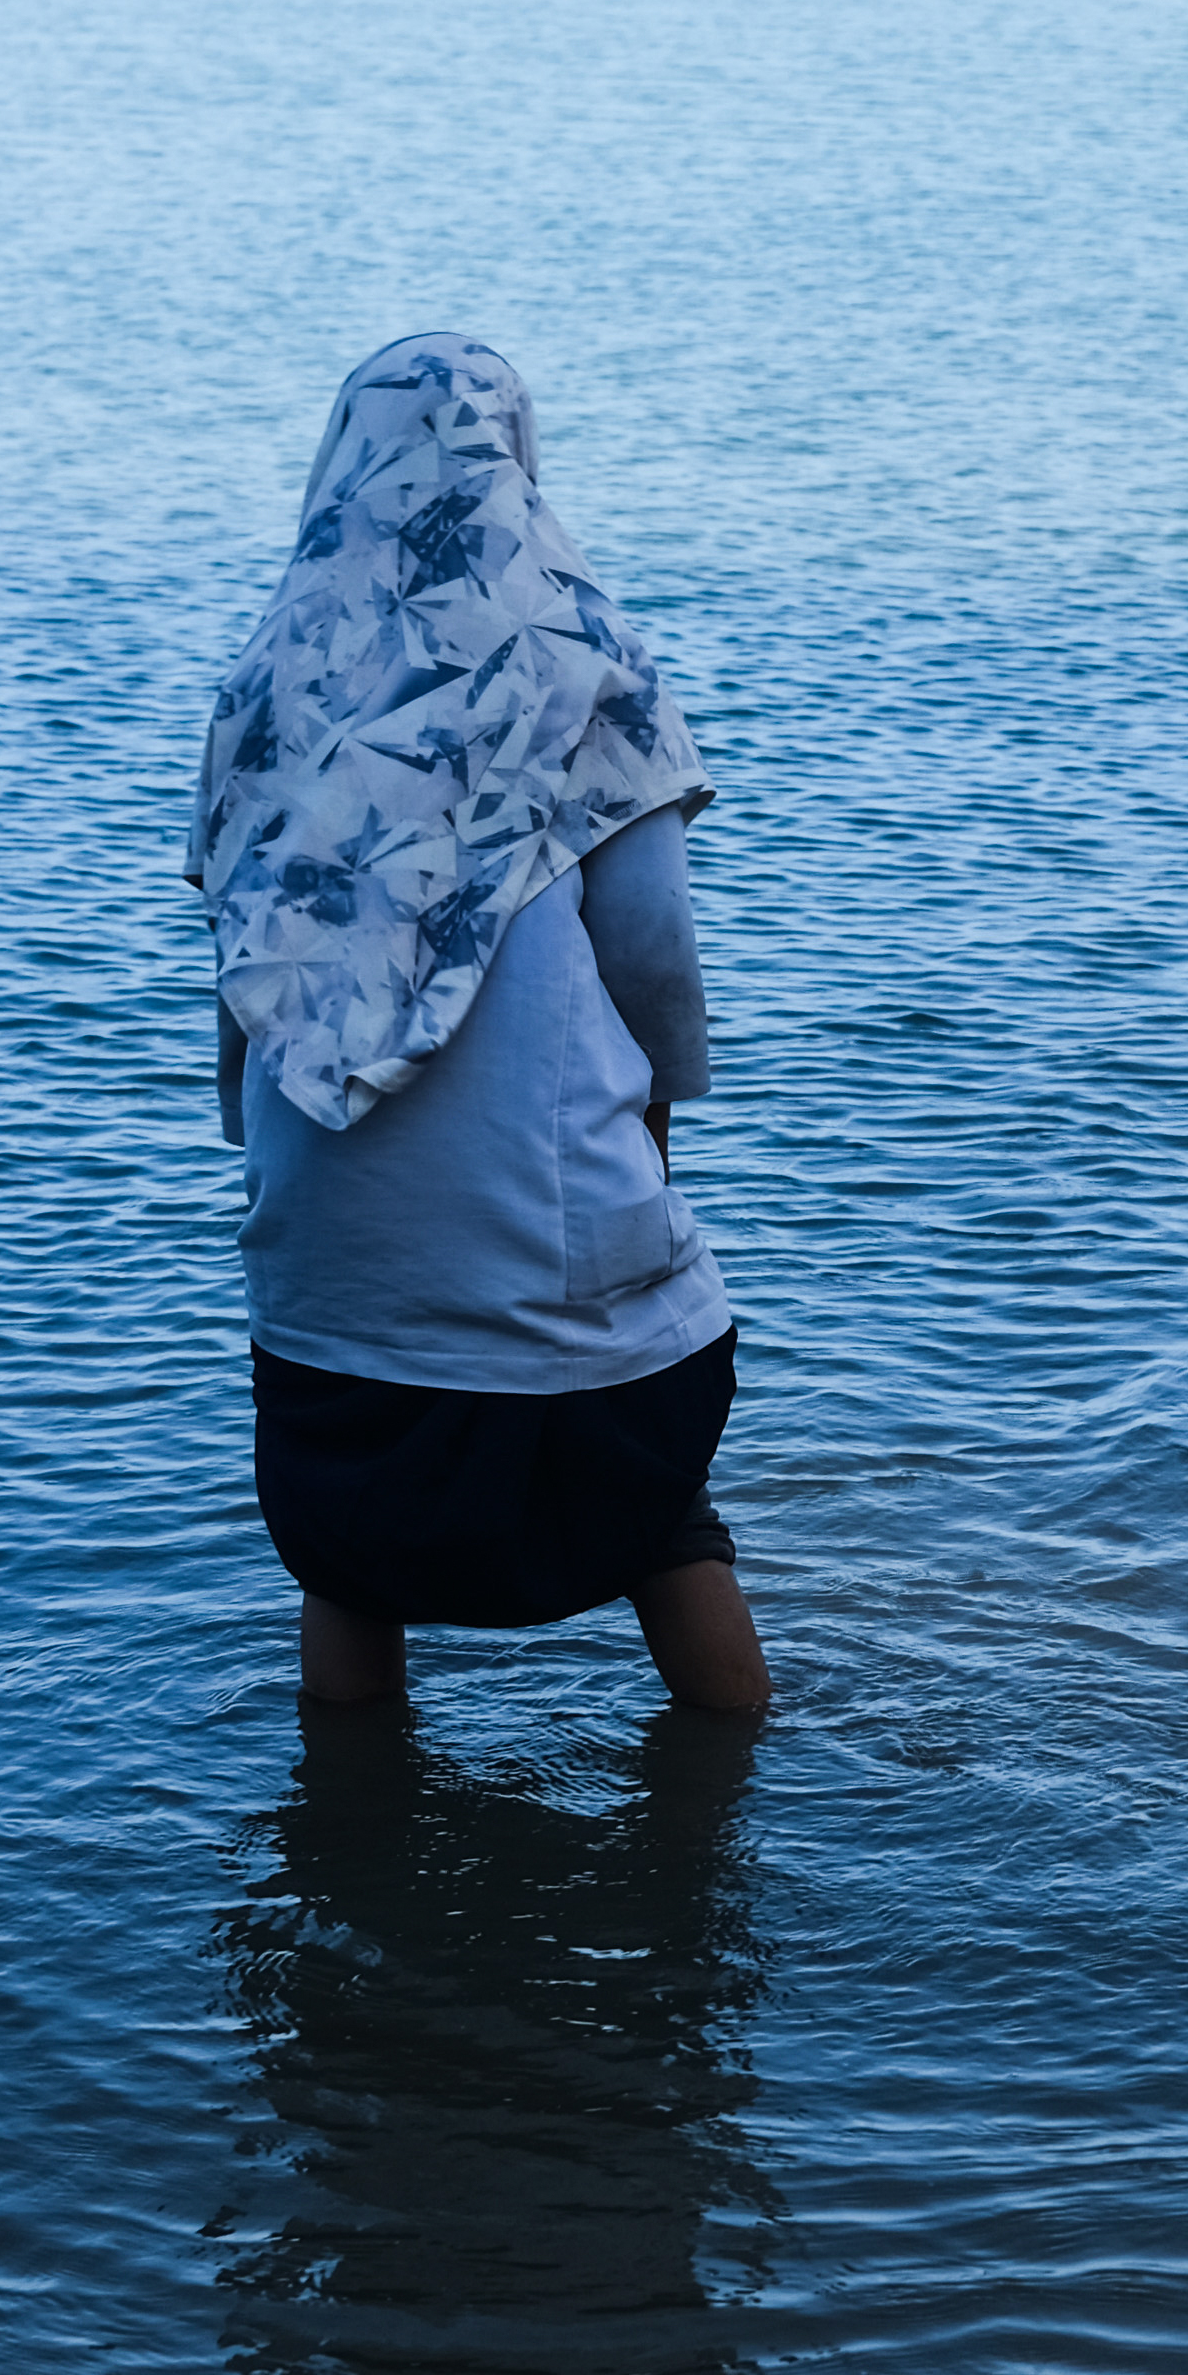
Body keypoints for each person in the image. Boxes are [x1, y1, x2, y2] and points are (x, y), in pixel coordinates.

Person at [189, 332, 768, 1712]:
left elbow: (241, 975)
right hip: (560, 1310)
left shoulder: (265, 687)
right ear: (512, 463)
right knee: (663, 1512)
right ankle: (724, 1827)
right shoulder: (583, 664)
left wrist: (279, 1176)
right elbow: (650, 954)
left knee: (347, 1562)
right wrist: (657, 1138)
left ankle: (347, 1872)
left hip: (323, 1304)